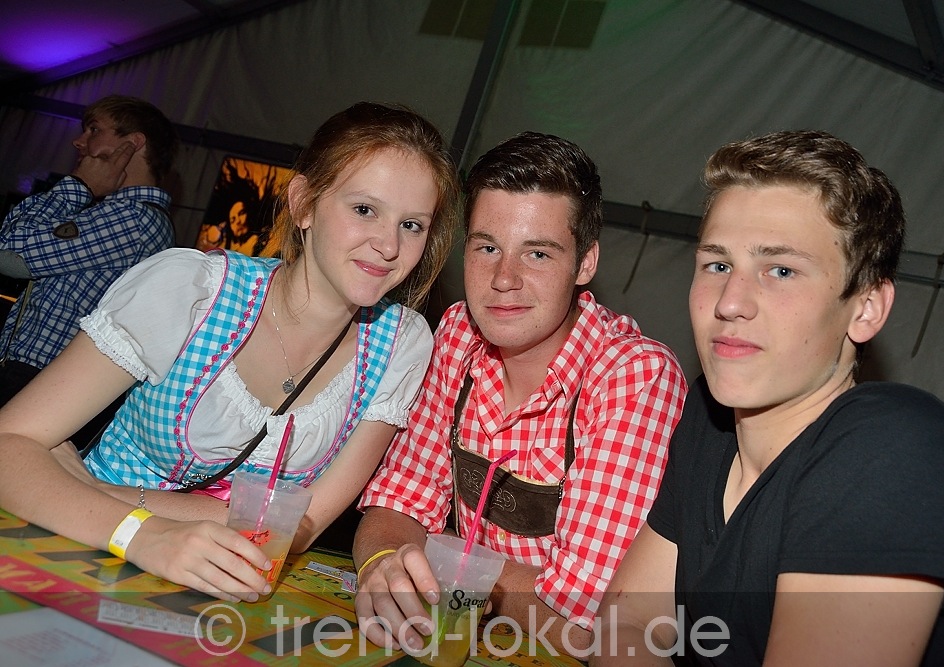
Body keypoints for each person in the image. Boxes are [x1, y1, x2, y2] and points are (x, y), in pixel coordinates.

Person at [0, 101, 461, 603]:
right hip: (77, 545)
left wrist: (101, 490)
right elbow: (9, 443)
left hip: (211, 596)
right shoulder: (191, 290)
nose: (389, 246)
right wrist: (141, 533)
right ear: (304, 203)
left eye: (412, 225)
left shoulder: (402, 344)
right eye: (364, 210)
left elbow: (300, 527)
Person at [594, 130, 944, 666]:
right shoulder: (710, 420)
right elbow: (626, 621)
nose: (730, 302)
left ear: (866, 309)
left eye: (781, 270)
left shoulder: (894, 450)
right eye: (718, 265)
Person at [353, 131, 688, 656]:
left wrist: (450, 561)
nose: (503, 279)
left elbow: (587, 618)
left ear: (585, 263)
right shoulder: (459, 332)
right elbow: (399, 501)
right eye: (487, 247)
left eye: (537, 253)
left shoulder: (633, 376)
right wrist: (382, 566)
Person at [0, 95, 177, 405]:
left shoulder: (134, 218)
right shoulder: (111, 212)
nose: (79, 142)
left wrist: (80, 184)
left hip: (41, 381)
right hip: (39, 379)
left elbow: (11, 255)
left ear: (133, 143)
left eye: (94, 130)